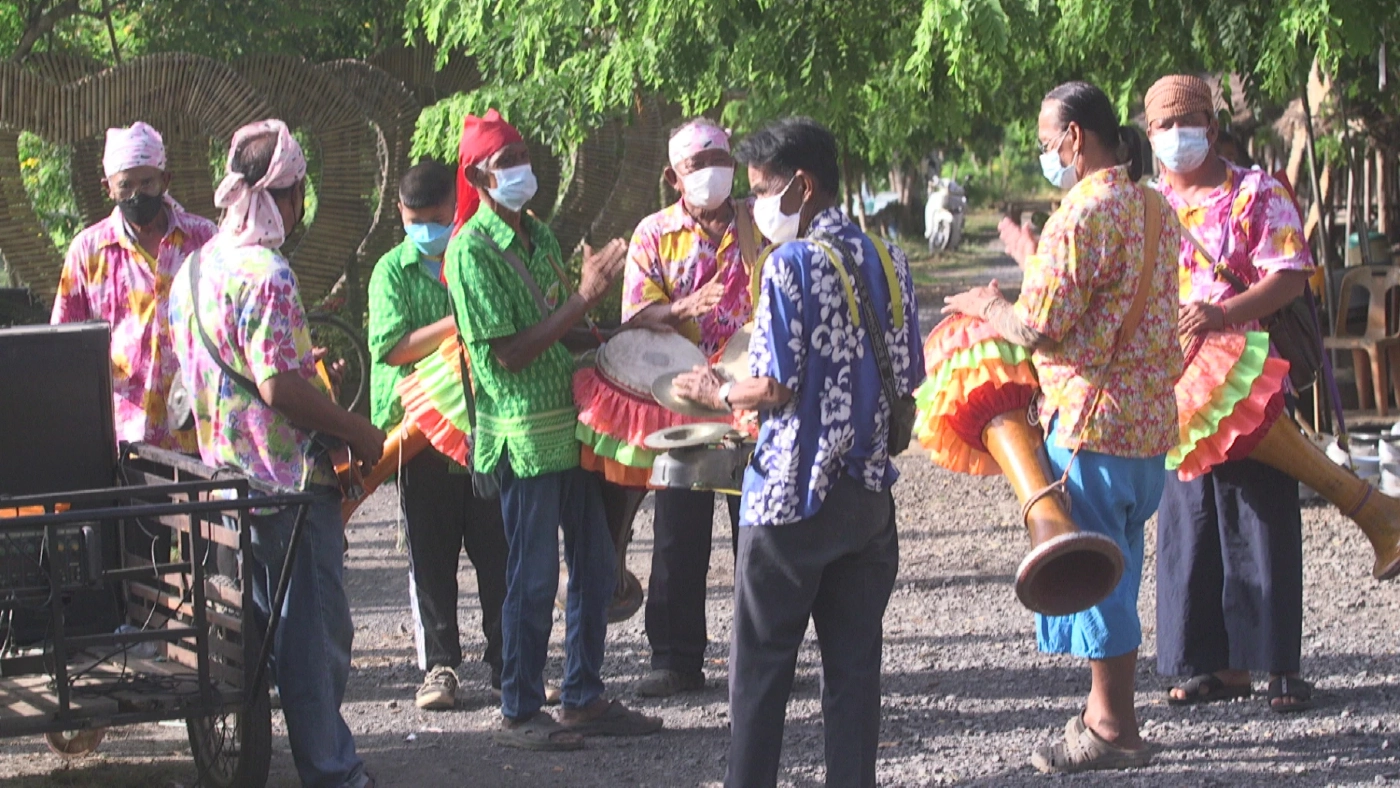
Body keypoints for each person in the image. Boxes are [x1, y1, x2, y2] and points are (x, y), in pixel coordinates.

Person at [674, 117, 921, 788]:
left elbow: (775, 385)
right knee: (852, 677)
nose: (754, 206)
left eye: (761, 190)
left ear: (803, 186)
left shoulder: (790, 265)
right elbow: (909, 375)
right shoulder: (890, 259)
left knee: (760, 675)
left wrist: (719, 386)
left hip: (790, 500)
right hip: (868, 495)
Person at [944, 80, 1182, 773]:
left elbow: (1038, 325)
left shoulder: (1081, 213)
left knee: (1094, 578)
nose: (1048, 155)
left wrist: (986, 304)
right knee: (1121, 569)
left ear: (1075, 138)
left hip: (1090, 429)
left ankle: (1112, 728)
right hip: (1147, 431)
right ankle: (1109, 713)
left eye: (1050, 144)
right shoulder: (1153, 206)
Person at [169, 119, 384, 788]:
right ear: (283, 195)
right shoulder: (268, 273)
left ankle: (299, 757)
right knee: (317, 638)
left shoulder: (196, 266)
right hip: (285, 486)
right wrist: (355, 427)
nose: (303, 205)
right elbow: (278, 387)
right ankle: (331, 770)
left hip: (225, 481)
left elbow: (231, 368)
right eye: (300, 192)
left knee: (268, 631)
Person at [444, 109, 662, 750]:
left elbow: (561, 327)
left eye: (522, 158)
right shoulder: (469, 251)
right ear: (478, 177)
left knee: (596, 566)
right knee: (532, 579)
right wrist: (586, 298)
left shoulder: (534, 234)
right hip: (521, 439)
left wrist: (626, 330)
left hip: (569, 431)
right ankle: (518, 707)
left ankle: (582, 696)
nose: (520, 171)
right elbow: (508, 352)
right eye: (506, 163)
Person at [1143, 74, 1315, 713]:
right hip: (1179, 388)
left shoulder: (1256, 192)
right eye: (1161, 128)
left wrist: (1223, 314)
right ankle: (1205, 664)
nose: (1174, 138)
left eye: (1184, 125)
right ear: (1149, 135)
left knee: (1261, 514)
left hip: (1251, 377)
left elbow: (1289, 277)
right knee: (1189, 521)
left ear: (1212, 130)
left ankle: (1274, 664)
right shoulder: (1147, 205)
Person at [621, 117, 760, 698]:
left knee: (757, 532)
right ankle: (675, 658)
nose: (710, 174)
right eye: (695, 166)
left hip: (755, 394)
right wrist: (680, 310)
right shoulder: (653, 234)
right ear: (673, 177)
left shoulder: (758, 222)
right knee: (679, 532)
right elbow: (634, 315)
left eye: (718, 161)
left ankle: (760, 655)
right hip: (681, 397)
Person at [366, 160, 509, 710]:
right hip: (422, 434)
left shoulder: (474, 255)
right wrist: (458, 324)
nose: (426, 227)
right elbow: (392, 346)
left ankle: (506, 665)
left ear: (456, 210)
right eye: (415, 219)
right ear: (400, 216)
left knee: (496, 551)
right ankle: (440, 668)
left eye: (436, 217)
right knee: (431, 555)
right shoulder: (391, 271)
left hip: (484, 429)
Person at [52, 121, 216, 451]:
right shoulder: (89, 251)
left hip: (200, 429)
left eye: (147, 182)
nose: (136, 195)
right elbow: (65, 345)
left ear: (165, 180)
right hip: (125, 436)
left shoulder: (204, 240)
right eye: (125, 186)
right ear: (108, 188)